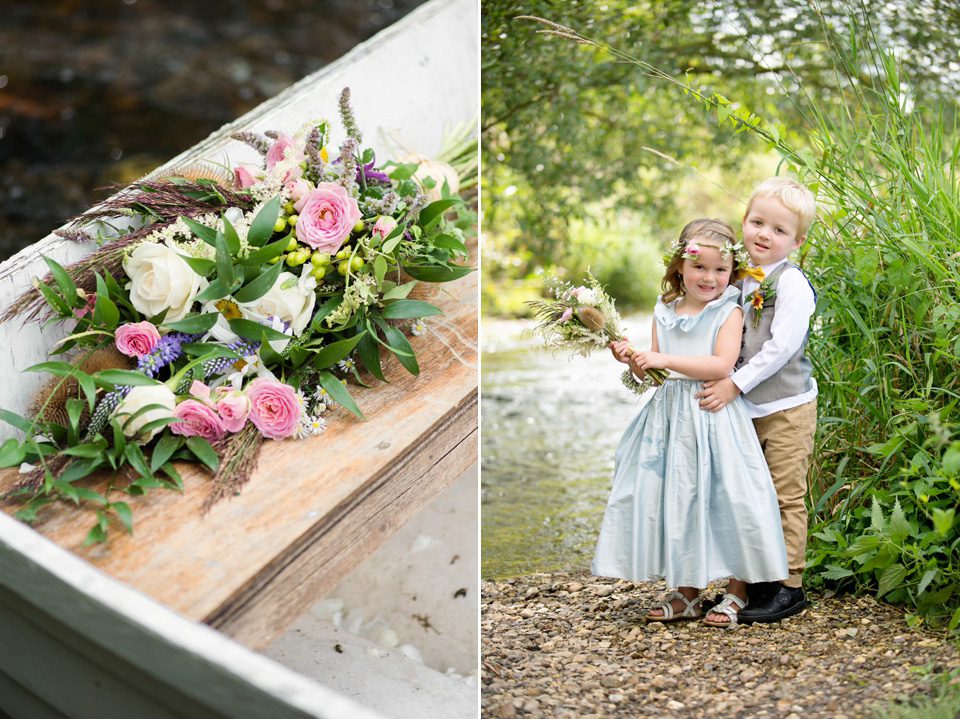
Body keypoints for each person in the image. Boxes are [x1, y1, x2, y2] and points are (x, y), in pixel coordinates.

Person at [591, 219, 788, 628]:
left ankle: (737, 590)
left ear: (731, 271)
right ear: (680, 266)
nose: (709, 278)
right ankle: (687, 591)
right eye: (700, 267)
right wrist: (633, 359)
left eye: (720, 269)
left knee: (729, 497)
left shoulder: (729, 311)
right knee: (678, 497)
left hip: (712, 413)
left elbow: (719, 363)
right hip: (669, 420)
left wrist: (663, 360)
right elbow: (653, 372)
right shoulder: (664, 311)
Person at [696, 176, 818, 623]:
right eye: (757, 222)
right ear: (744, 222)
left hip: (786, 407)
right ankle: (756, 580)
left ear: (797, 241)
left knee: (786, 495)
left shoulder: (792, 285)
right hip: (746, 409)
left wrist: (735, 384)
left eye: (779, 230)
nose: (765, 234)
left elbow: (780, 348)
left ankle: (790, 587)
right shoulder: (739, 280)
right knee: (748, 493)